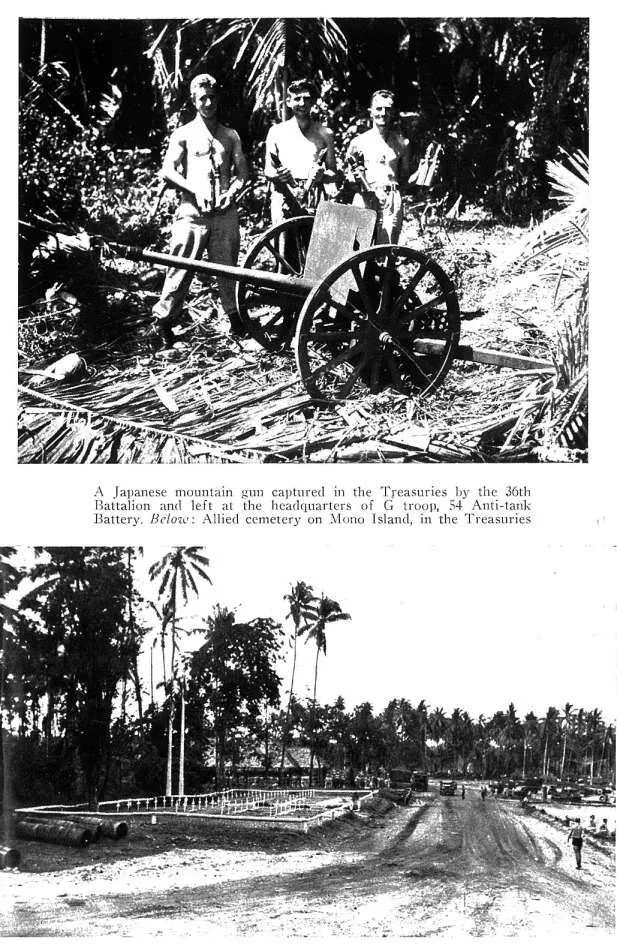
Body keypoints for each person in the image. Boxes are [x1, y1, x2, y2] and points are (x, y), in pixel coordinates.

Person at [152, 74, 249, 350]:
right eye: (202, 98)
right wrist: (195, 190)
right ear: (194, 101)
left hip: (224, 214)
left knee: (227, 268)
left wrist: (231, 193)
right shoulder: (183, 134)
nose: (208, 103)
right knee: (180, 266)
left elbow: (243, 173)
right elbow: (167, 171)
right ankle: (164, 322)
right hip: (192, 213)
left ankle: (236, 320)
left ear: (218, 98)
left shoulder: (230, 135)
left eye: (212, 97)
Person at [346, 89, 418, 244]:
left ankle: (386, 268)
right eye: (378, 108)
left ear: (393, 112)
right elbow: (349, 178)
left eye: (388, 109)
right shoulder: (358, 142)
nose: (383, 113)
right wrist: (360, 183)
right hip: (365, 197)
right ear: (370, 112)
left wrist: (423, 171)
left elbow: (405, 178)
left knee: (387, 249)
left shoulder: (402, 143)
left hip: (391, 199)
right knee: (358, 249)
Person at [264, 79, 337, 224]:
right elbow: (268, 171)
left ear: (313, 102)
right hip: (284, 197)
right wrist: (280, 176)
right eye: (297, 99)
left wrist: (321, 176)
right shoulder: (276, 132)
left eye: (307, 99)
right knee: (284, 245)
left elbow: (334, 173)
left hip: (314, 199)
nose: (302, 104)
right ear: (289, 102)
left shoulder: (324, 133)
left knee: (314, 245)